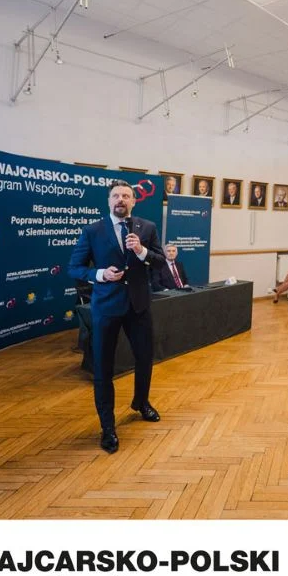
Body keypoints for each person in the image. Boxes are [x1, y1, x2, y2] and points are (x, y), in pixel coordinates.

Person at [68, 180, 166, 454]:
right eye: (116, 196)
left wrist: (141, 251)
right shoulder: (92, 231)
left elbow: (160, 261)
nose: (121, 199)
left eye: (126, 195)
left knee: (145, 358)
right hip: (106, 307)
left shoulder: (147, 228)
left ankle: (141, 403)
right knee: (103, 368)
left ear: (134, 201)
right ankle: (108, 426)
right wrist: (100, 274)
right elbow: (74, 268)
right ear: (109, 201)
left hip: (138, 306)